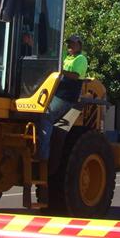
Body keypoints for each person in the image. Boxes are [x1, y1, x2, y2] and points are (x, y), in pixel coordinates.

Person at [37, 35, 88, 164]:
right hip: (54, 94)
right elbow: (55, 50)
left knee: (46, 116)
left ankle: (42, 155)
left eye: (74, 44)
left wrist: (59, 70)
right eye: (69, 43)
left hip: (66, 97)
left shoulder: (81, 59)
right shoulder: (66, 56)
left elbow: (75, 76)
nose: (70, 46)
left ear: (80, 46)